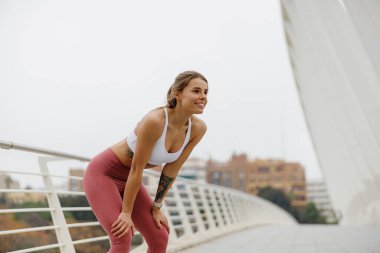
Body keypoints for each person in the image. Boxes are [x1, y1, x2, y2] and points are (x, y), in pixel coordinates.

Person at [83, 71, 208, 253]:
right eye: (196, 91)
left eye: (205, 92)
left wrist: (157, 207)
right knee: (122, 237)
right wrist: (126, 213)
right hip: (105, 174)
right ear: (177, 93)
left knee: (160, 236)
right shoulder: (155, 121)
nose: (203, 97)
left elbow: (172, 169)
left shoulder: (198, 129)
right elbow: (136, 169)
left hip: (131, 180)